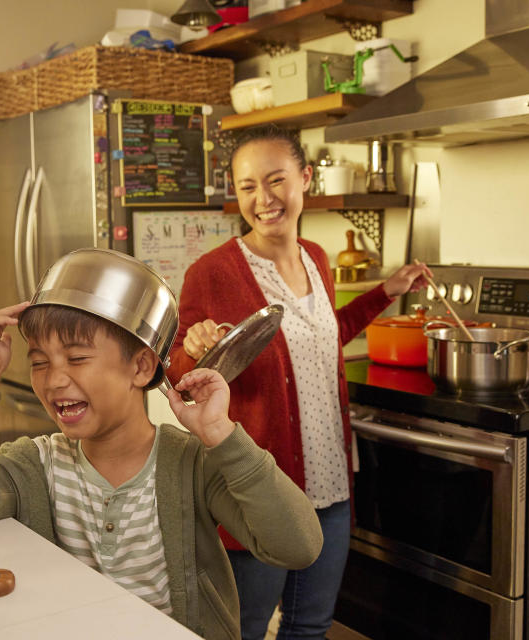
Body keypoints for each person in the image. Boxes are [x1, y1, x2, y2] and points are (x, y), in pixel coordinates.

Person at [0, 257, 324, 640]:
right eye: (40, 362)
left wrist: (222, 433)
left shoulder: (192, 463)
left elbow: (298, 546)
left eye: (77, 357)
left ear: (142, 367)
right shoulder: (36, 462)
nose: (54, 380)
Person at [166, 124, 432, 640]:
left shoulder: (317, 257)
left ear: (304, 179)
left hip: (331, 482)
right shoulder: (213, 272)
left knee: (311, 625)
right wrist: (193, 347)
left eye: (276, 180)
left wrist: (388, 291)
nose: (263, 199)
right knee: (241, 628)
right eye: (247, 187)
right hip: (262, 490)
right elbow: (178, 372)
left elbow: (328, 335)